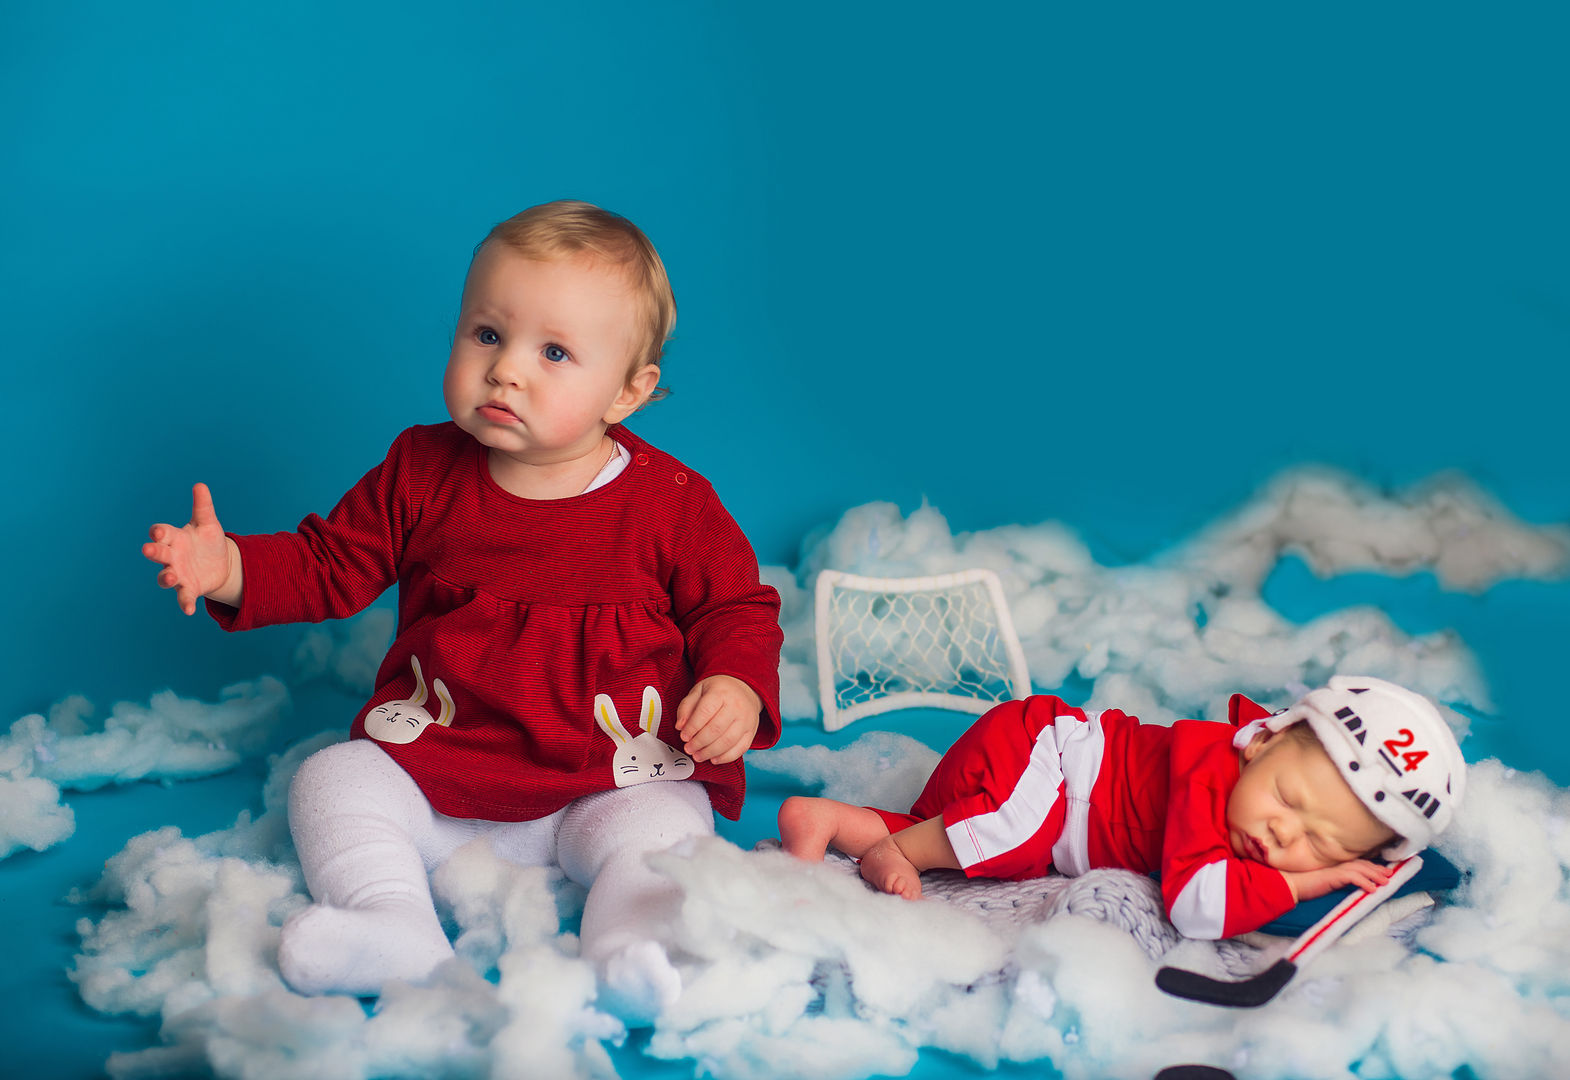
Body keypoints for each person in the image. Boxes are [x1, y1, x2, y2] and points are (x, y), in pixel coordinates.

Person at [142, 200, 783, 1020]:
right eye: (487, 334)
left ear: (628, 391)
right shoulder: (421, 471)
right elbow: (329, 564)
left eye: (554, 352)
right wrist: (229, 566)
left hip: (606, 782)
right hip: (441, 768)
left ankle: (632, 942)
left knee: (664, 829)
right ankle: (391, 921)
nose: (506, 369)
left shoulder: (672, 505)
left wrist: (735, 684)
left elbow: (736, 607)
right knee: (332, 779)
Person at [779, 676, 1464, 939]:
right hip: (1044, 754)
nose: (1284, 834)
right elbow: (1197, 908)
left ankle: (831, 821)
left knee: (974, 842)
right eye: (1288, 800)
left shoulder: (1258, 796)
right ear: (1259, 743)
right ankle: (896, 852)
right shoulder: (1210, 774)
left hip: (1039, 785)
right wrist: (1307, 880)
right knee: (1011, 836)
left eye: (1321, 843)